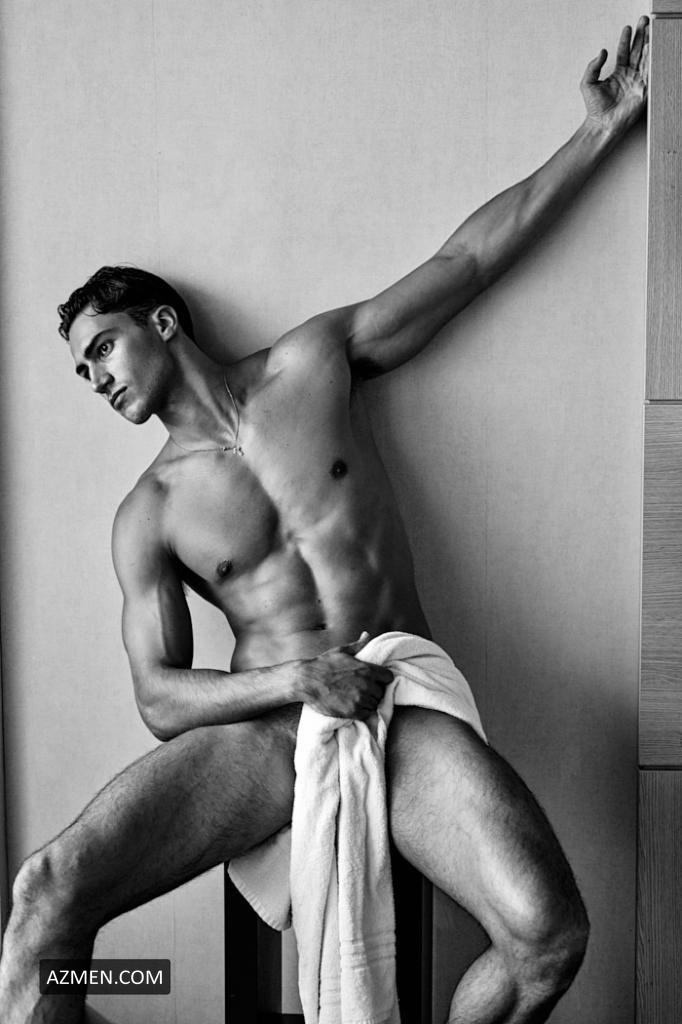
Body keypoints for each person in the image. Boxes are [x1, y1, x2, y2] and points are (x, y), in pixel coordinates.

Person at [0, 17, 649, 1024]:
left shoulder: (312, 365)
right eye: (82, 370)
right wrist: (295, 679)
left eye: (103, 348)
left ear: (161, 323)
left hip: (400, 698)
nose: (94, 377)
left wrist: (598, 133)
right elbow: (160, 698)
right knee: (45, 903)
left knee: (549, 934)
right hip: (267, 730)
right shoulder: (149, 513)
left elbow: (467, 261)